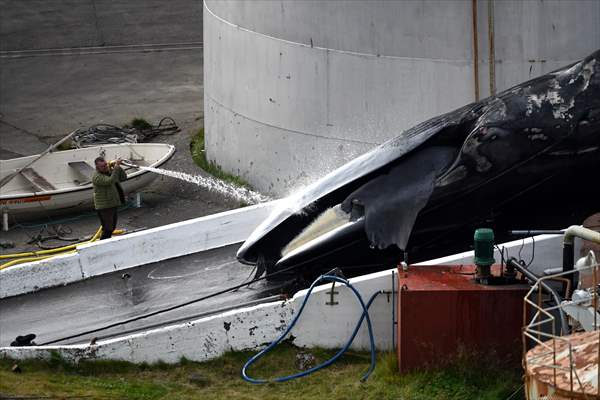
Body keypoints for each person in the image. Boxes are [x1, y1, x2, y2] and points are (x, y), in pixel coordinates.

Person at [92, 156, 127, 239]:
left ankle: (106, 242)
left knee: (112, 228)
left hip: (112, 204)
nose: (105, 167)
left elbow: (123, 177)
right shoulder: (97, 177)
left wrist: (118, 168)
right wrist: (116, 167)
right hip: (104, 207)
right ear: (97, 167)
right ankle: (102, 244)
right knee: (108, 229)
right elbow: (110, 181)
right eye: (102, 166)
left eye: (105, 165)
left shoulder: (109, 171)